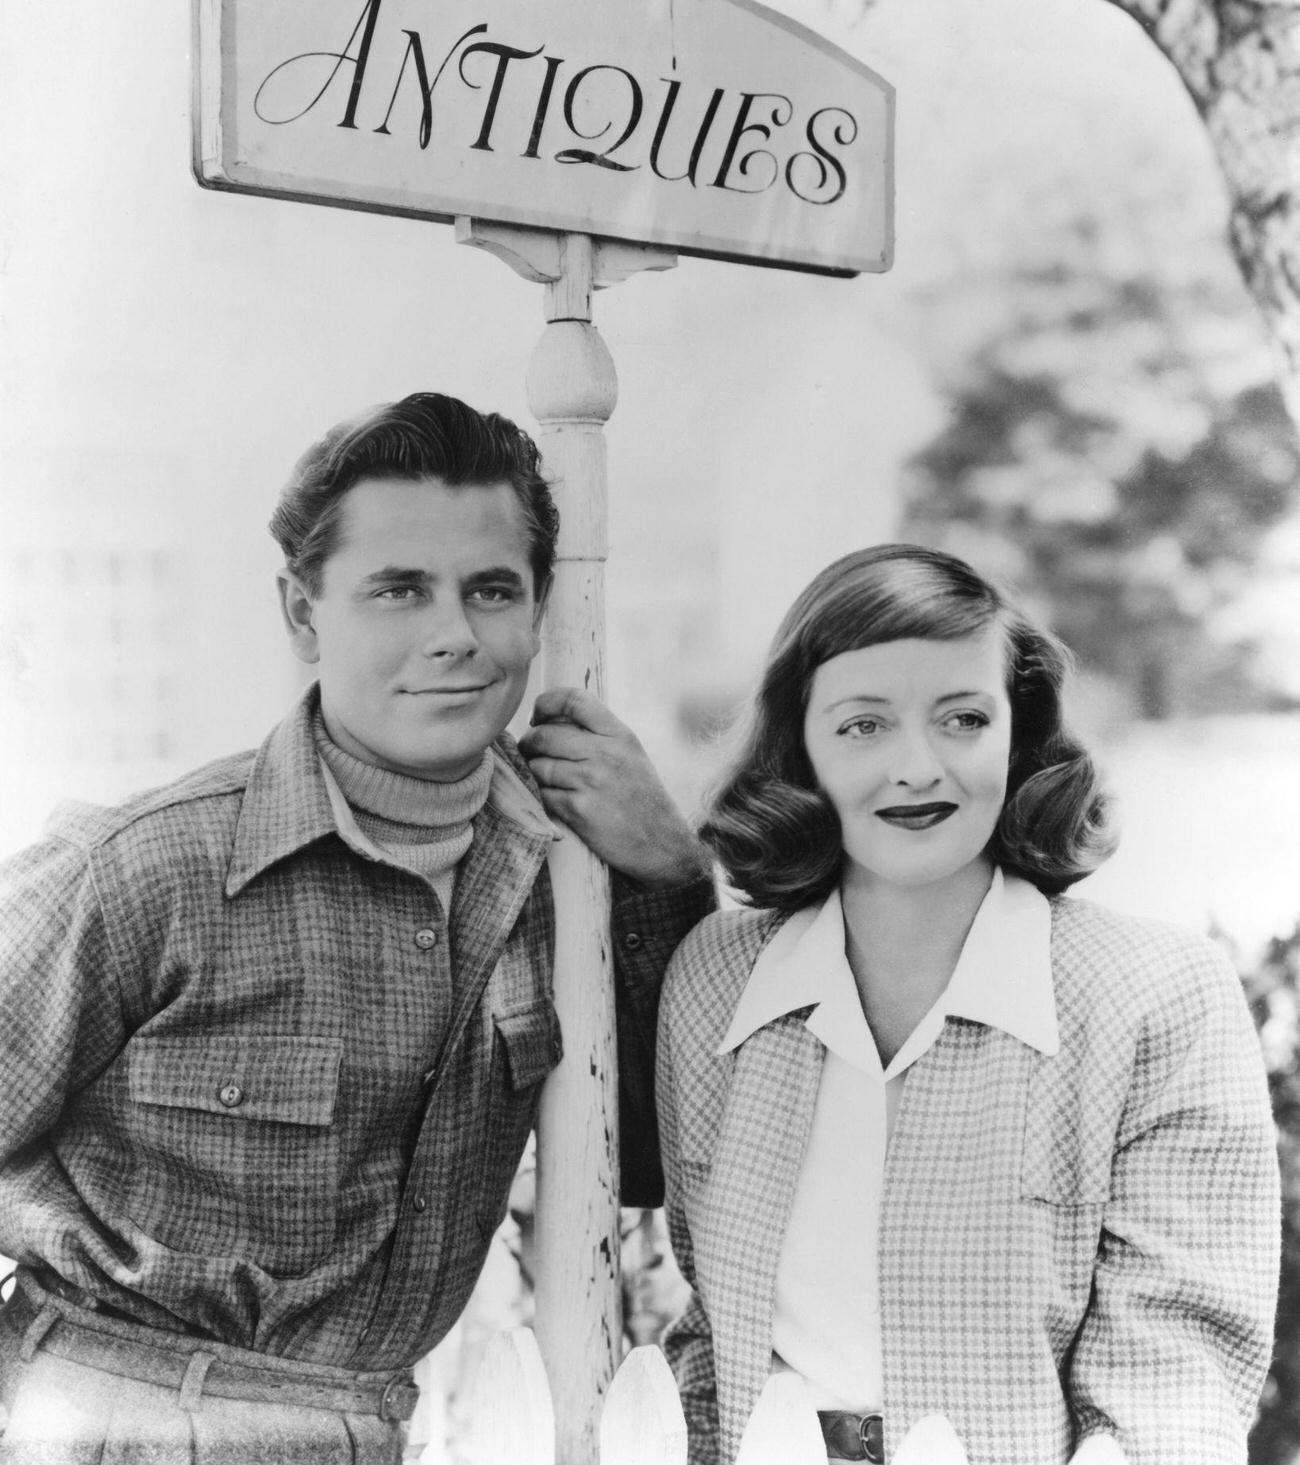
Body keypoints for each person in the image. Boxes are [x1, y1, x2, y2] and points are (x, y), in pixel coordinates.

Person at [0, 391, 712, 1462]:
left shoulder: (565, 877)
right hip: (115, 1422)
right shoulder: (150, 867)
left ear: (538, 609)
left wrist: (668, 874)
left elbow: (647, 1165)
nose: (454, 636)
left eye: (490, 590)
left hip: (370, 1426)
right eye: (398, 590)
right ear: (302, 612)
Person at [656, 543, 1279, 1465]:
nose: (916, 767)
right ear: (804, 748)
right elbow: (714, 1336)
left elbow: (1174, 1385)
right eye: (863, 725)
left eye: (962, 718)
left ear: (1016, 736)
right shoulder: (716, 980)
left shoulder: (1157, 995)